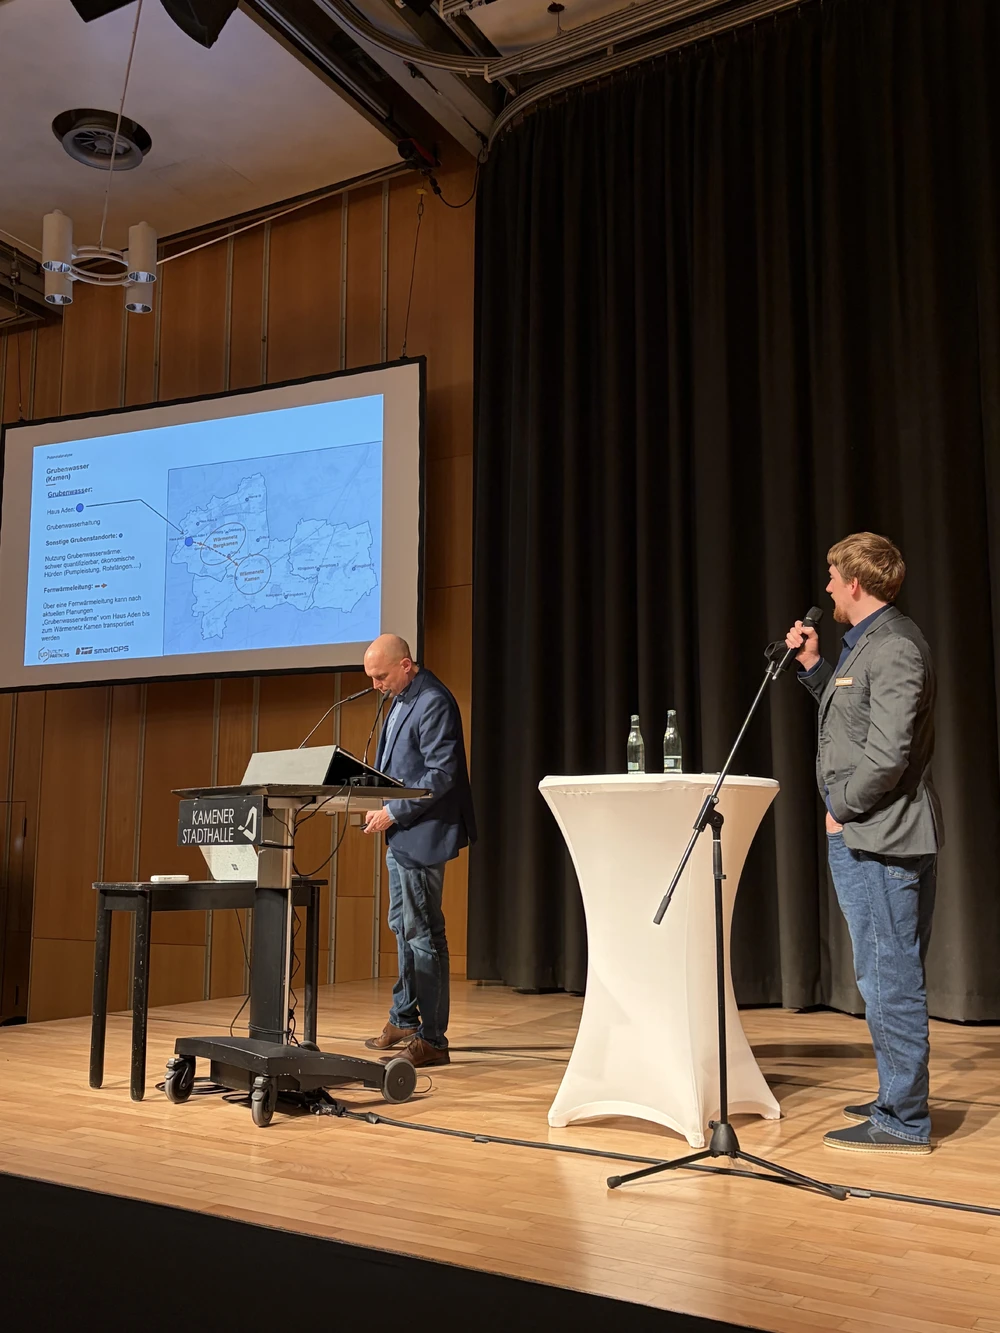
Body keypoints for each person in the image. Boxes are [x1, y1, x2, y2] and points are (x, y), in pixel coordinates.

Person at [786, 532, 942, 1154]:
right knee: (883, 973)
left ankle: (903, 1119)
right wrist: (813, 669)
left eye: (832, 576)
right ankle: (895, 1095)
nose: (826, 586)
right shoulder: (869, 643)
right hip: (871, 832)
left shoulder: (895, 646)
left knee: (889, 978)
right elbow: (856, 718)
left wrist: (840, 809)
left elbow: (889, 754)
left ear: (853, 583)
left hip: (882, 836)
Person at [361, 634, 476, 1068]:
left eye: (381, 676)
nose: (376, 685)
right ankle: (404, 1017)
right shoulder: (402, 697)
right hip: (402, 832)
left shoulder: (432, 700)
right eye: (372, 678)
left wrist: (393, 811)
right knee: (403, 926)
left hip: (421, 832)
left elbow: (441, 774)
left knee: (424, 934)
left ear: (406, 665)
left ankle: (433, 1039)